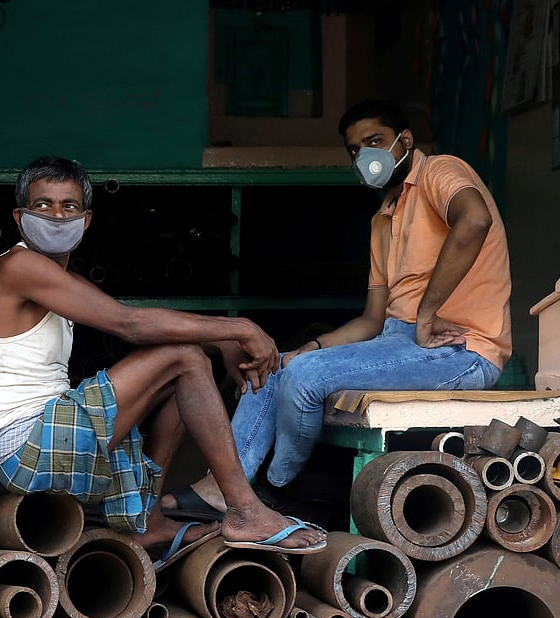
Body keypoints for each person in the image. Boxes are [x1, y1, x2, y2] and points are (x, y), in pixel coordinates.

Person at [0, 156, 327, 564]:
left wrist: (219, 341)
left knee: (184, 367)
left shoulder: (53, 279)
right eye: (42, 205)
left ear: (86, 221)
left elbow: (138, 318)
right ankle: (245, 511)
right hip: (26, 448)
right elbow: (129, 324)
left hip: (40, 443)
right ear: (19, 216)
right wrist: (238, 328)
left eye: (69, 206)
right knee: (184, 358)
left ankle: (149, 522)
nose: (56, 216)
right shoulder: (17, 266)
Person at [161, 99, 512, 522]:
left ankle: (276, 489)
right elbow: (372, 319)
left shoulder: (439, 170)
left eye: (375, 141)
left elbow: (473, 220)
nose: (366, 155)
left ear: (406, 140)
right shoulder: (384, 217)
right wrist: (310, 345)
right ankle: (224, 485)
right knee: (275, 366)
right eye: (355, 149)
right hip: (398, 342)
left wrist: (426, 313)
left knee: (305, 378)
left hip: (461, 349)